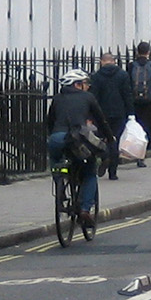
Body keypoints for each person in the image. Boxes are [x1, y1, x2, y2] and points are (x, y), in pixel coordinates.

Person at [46, 68, 110, 224]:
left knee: (55, 163)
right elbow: (101, 120)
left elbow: (50, 121)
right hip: (78, 140)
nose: (87, 86)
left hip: (57, 138)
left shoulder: (57, 98)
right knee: (89, 172)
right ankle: (85, 209)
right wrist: (110, 137)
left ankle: (60, 186)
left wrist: (51, 136)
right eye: (84, 83)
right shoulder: (88, 97)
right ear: (77, 84)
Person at [90, 50, 135, 180]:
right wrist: (131, 113)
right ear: (114, 61)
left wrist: (92, 114)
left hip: (101, 113)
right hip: (119, 112)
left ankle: (105, 156)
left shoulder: (96, 76)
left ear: (102, 62)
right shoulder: (123, 75)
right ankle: (113, 172)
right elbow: (127, 95)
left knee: (102, 139)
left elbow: (94, 97)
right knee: (114, 139)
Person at [127, 42, 151, 167]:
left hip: (133, 101)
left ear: (136, 52)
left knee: (133, 127)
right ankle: (141, 156)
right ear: (148, 52)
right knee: (145, 127)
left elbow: (127, 83)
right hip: (148, 102)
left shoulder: (130, 66)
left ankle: (130, 151)